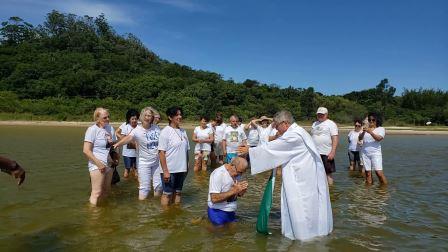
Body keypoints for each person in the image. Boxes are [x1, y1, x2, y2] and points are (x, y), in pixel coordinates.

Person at [238, 110, 332, 241]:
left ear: (285, 123)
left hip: (300, 179)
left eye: (276, 125)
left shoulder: (293, 135)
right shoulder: (298, 131)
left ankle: (304, 237)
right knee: (307, 207)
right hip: (304, 175)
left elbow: (272, 149)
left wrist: (250, 150)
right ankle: (310, 234)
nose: (275, 128)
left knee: (301, 206)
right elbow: (275, 147)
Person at [113, 107, 161, 199]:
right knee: (145, 188)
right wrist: (117, 144)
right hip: (144, 162)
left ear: (152, 118)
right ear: (142, 117)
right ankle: (142, 210)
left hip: (157, 162)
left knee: (159, 186)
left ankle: (156, 206)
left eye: (150, 116)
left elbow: (163, 141)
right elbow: (128, 138)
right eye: (146, 115)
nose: (148, 117)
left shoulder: (156, 128)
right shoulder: (137, 130)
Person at [83, 108, 118, 206]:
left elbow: (113, 145)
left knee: (106, 191)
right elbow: (86, 150)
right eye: (104, 117)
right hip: (97, 164)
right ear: (97, 118)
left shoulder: (110, 128)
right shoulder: (92, 130)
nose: (108, 119)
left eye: (108, 116)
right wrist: (99, 164)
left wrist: (115, 158)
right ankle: (93, 216)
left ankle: (102, 213)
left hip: (109, 164)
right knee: (96, 192)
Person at [158, 106, 190, 206]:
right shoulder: (165, 132)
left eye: (180, 114)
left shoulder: (183, 131)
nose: (179, 117)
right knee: (167, 194)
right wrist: (165, 171)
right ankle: (166, 217)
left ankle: (176, 215)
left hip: (182, 169)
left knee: (178, 193)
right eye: (177, 115)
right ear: (170, 117)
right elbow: (161, 152)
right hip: (169, 169)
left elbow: (186, 151)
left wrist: (187, 166)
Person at [207, 157, 249, 226]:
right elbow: (214, 199)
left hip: (230, 211)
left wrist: (241, 191)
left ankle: (205, 219)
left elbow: (236, 195)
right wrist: (234, 191)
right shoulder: (218, 174)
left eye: (242, 173)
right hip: (217, 211)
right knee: (218, 234)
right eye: (239, 172)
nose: (240, 175)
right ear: (232, 165)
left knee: (231, 234)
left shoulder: (236, 173)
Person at [311, 107, 339, 185]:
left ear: (326, 114)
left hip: (326, 152)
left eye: (322, 114)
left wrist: (333, 152)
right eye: (319, 114)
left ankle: (330, 191)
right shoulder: (314, 124)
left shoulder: (331, 124)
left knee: (328, 173)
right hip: (315, 153)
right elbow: (312, 136)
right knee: (316, 173)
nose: (320, 116)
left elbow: (335, 138)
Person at [359, 113, 387, 185]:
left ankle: (384, 189)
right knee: (368, 173)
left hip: (375, 153)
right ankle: (369, 192)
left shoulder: (381, 129)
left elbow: (379, 139)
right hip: (365, 153)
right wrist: (363, 132)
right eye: (369, 120)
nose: (371, 121)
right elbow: (360, 138)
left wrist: (370, 132)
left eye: (373, 120)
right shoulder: (365, 129)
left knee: (379, 173)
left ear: (377, 120)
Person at [115, 109, 140, 178]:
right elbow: (123, 138)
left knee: (136, 169)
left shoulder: (139, 127)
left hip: (137, 153)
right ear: (129, 119)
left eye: (135, 119)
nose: (134, 120)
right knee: (127, 169)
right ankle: (126, 182)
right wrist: (131, 141)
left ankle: (137, 184)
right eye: (132, 119)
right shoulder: (126, 127)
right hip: (127, 153)